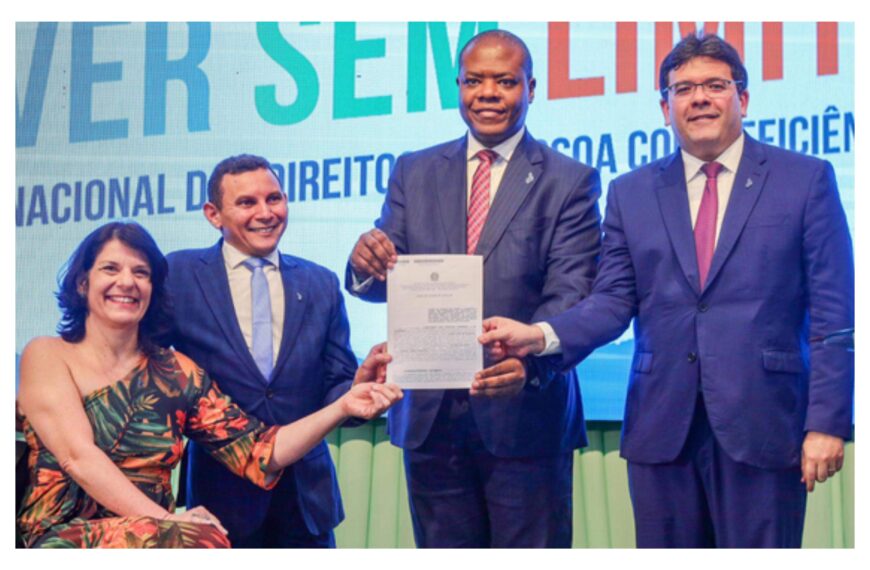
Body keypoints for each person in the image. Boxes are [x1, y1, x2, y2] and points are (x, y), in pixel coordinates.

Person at [479, 33, 854, 548]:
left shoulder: (805, 179)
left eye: (715, 85)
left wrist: (828, 423)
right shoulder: (631, 192)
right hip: (662, 432)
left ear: (741, 99)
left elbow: (836, 317)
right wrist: (539, 335)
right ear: (665, 107)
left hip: (765, 427)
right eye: (683, 89)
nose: (698, 97)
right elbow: (612, 302)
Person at [346, 30, 602, 548]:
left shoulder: (569, 180)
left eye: (505, 81)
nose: (488, 93)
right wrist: (364, 264)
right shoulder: (414, 171)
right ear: (457, 87)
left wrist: (529, 362)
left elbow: (573, 292)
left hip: (525, 415)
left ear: (531, 87)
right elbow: (385, 276)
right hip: (430, 419)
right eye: (474, 81)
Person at [16, 222, 402, 548]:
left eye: (141, 272)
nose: (126, 282)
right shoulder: (47, 355)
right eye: (110, 269)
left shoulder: (177, 372)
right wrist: (170, 523)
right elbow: (78, 458)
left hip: (160, 541)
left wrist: (343, 405)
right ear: (83, 283)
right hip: (63, 536)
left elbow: (258, 454)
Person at [166, 154, 365, 548]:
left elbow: (337, 383)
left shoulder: (321, 283)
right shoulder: (179, 275)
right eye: (246, 203)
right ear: (213, 214)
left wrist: (362, 389)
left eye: (274, 199)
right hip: (217, 501)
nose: (265, 213)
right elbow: (143, 369)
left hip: (306, 500)